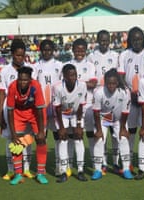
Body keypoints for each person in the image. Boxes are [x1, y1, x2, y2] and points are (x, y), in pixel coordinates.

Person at [118, 26, 144, 174]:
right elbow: (121, 77)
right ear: (129, 40)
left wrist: (143, 95)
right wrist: (129, 92)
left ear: (143, 40)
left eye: (139, 39)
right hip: (130, 97)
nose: (137, 41)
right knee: (132, 130)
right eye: (134, 39)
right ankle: (128, 162)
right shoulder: (123, 55)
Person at [0, 38, 36, 181]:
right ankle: (10, 170)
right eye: (17, 55)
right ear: (12, 54)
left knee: (26, 138)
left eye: (22, 55)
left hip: (26, 109)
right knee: (10, 140)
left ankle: (26, 169)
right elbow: (1, 93)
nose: (20, 58)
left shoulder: (30, 69)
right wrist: (0, 115)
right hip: (10, 108)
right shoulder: (5, 71)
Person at [6, 66, 48, 185]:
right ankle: (18, 174)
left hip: (35, 113)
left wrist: (41, 131)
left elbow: (40, 109)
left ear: (30, 80)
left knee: (41, 140)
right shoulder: (12, 86)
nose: (22, 82)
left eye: (25, 80)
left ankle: (40, 173)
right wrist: (13, 134)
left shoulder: (36, 86)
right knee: (17, 142)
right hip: (18, 113)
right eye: (20, 79)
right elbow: (10, 110)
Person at [87, 30, 120, 174]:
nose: (104, 43)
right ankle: (104, 163)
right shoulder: (91, 56)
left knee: (115, 133)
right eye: (102, 40)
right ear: (97, 40)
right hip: (99, 98)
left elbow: (119, 76)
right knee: (102, 134)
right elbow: (91, 77)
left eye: (106, 40)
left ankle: (117, 162)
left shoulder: (115, 56)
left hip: (113, 98)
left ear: (110, 41)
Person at [91, 68, 133, 180]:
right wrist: (99, 130)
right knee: (99, 140)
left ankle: (126, 169)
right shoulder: (98, 92)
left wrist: (123, 128)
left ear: (117, 82)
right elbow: (96, 112)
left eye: (114, 83)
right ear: (105, 82)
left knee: (123, 139)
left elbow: (125, 112)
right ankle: (98, 170)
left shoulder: (125, 92)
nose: (111, 86)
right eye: (109, 83)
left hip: (118, 120)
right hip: (102, 119)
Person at [64, 38, 97, 176]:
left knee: (89, 134)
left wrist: (76, 82)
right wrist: (83, 83)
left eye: (82, 50)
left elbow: (93, 84)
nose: (79, 52)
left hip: (87, 104)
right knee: (72, 136)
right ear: (73, 50)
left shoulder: (90, 65)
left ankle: (95, 163)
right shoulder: (67, 65)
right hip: (70, 106)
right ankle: (70, 165)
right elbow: (64, 83)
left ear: (86, 50)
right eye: (77, 50)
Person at [53, 64, 88, 183]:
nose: (73, 77)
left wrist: (78, 125)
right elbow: (57, 109)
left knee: (78, 138)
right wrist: (61, 128)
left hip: (75, 114)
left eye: (75, 75)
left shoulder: (82, 85)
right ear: (64, 77)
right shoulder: (57, 88)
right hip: (62, 114)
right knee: (63, 139)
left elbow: (81, 106)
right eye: (70, 75)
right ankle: (63, 171)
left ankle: (80, 170)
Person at [33, 39, 63, 176]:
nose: (46, 52)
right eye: (44, 49)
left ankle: (58, 166)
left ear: (53, 50)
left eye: (49, 49)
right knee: (41, 137)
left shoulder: (59, 65)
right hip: (41, 108)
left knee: (57, 136)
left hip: (55, 106)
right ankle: (42, 167)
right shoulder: (36, 66)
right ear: (40, 50)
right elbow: (33, 86)